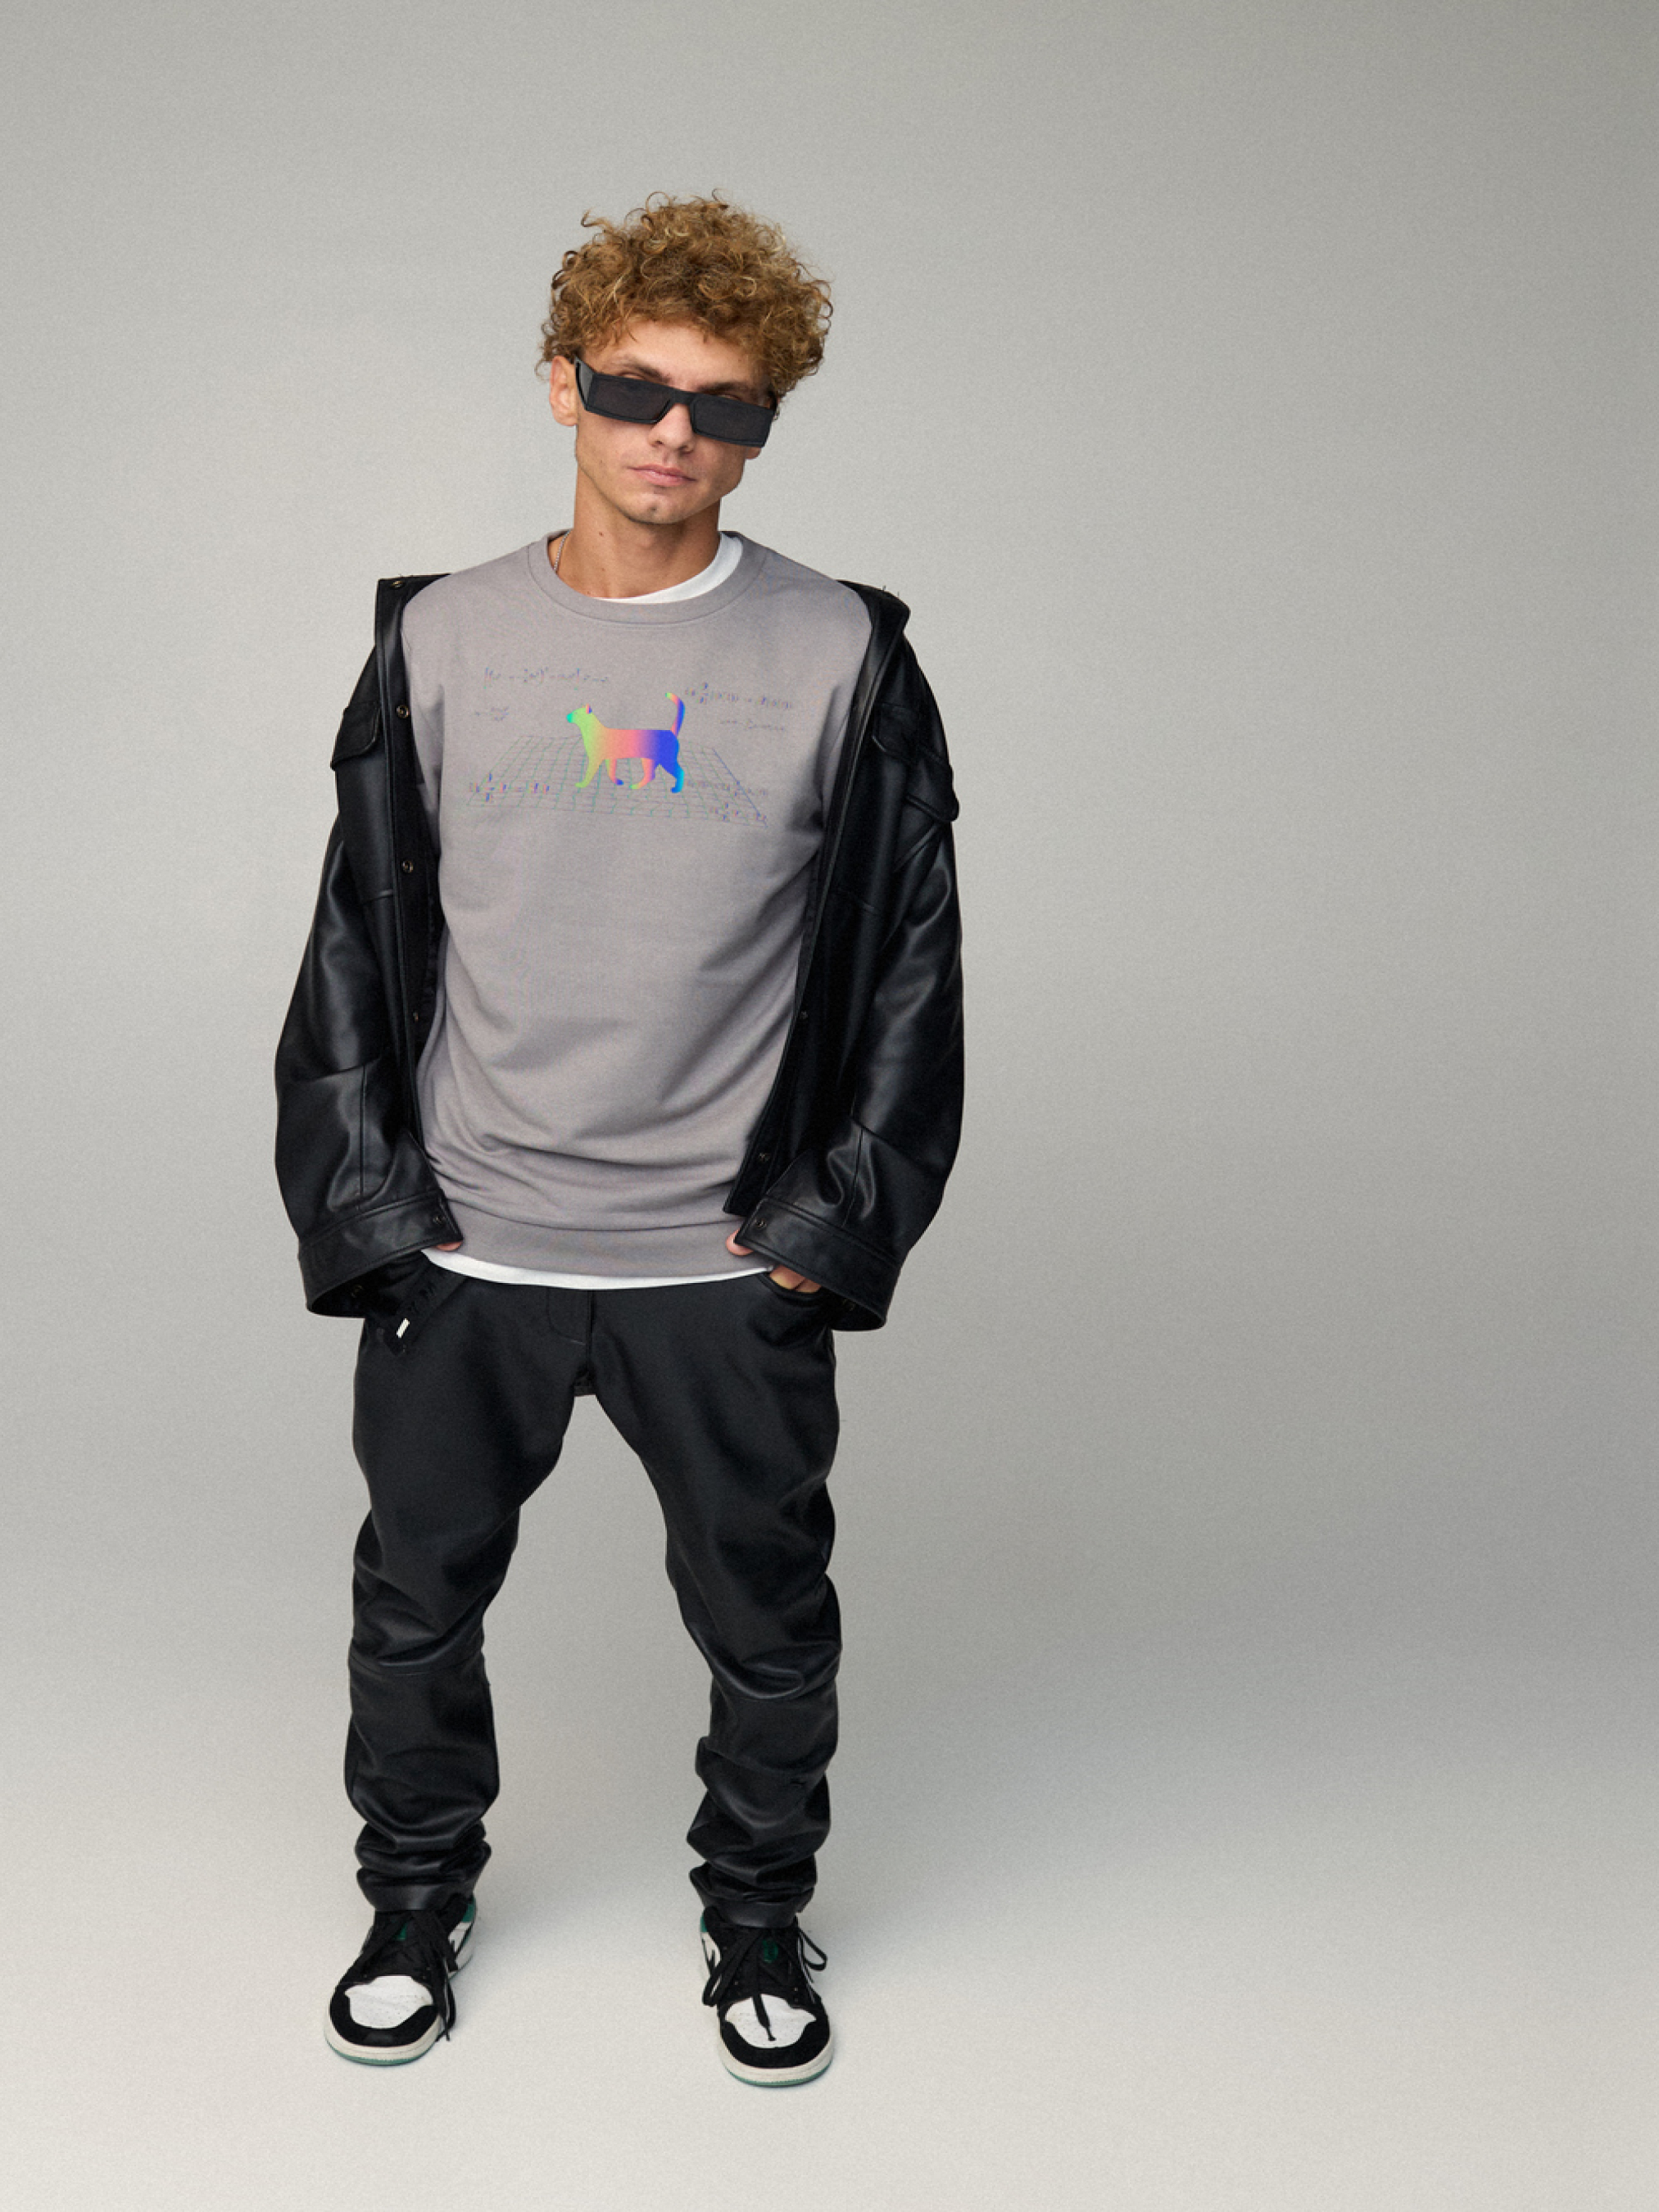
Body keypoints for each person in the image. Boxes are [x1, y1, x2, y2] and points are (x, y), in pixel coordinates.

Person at [274, 193, 963, 2081]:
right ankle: (414, 1896)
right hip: (467, 1242)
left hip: (717, 1260)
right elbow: (350, 947)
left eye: (723, 406)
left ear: (762, 426)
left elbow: (912, 970)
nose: (674, 433)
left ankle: (755, 1920)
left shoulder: (841, 652)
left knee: (768, 1625)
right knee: (414, 1610)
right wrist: (368, 1215)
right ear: (560, 383)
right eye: (638, 388)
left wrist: (832, 1226)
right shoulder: (438, 639)